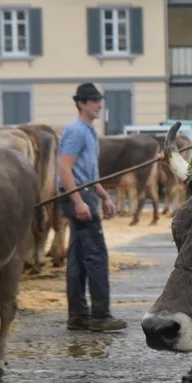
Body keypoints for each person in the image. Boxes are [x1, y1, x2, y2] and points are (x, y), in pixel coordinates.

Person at [57, 83, 126, 332]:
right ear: (81, 104)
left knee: (78, 257)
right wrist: (78, 201)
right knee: (96, 255)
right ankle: (100, 315)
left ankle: (77, 316)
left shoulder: (87, 131)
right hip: (77, 196)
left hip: (83, 193)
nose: (99, 105)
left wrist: (104, 196)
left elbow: (88, 174)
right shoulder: (76, 131)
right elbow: (64, 168)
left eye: (99, 100)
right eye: (94, 101)